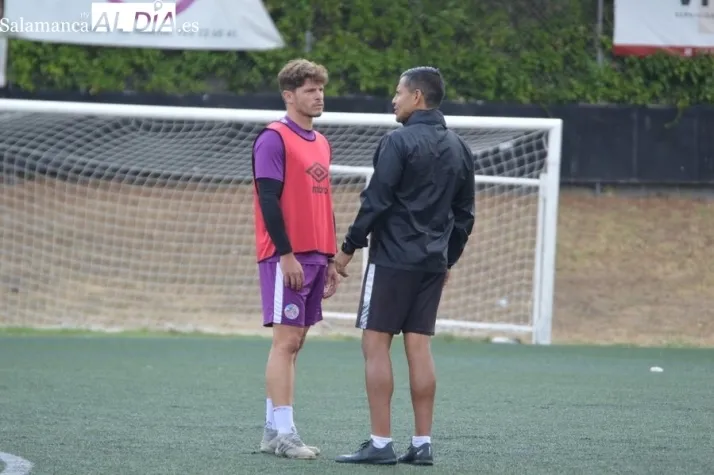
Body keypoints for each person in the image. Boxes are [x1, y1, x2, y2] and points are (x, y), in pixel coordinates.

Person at [333, 66, 476, 466]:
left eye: (398, 92)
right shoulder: (460, 148)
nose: (393, 100)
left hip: (392, 260)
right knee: (419, 346)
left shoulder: (396, 141)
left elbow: (376, 201)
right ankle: (422, 444)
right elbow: (465, 215)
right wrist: (447, 259)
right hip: (432, 263)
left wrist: (347, 248)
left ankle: (381, 444)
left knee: (375, 344)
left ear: (417, 97)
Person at [252, 58, 341, 460]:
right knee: (285, 341)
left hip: (316, 256)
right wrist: (286, 255)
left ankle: (273, 431)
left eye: (321, 89)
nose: (318, 96)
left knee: (297, 342)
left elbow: (325, 204)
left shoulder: (321, 141)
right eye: (309, 90)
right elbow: (268, 201)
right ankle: (285, 434)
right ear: (289, 96)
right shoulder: (273, 138)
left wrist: (330, 257)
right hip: (285, 257)